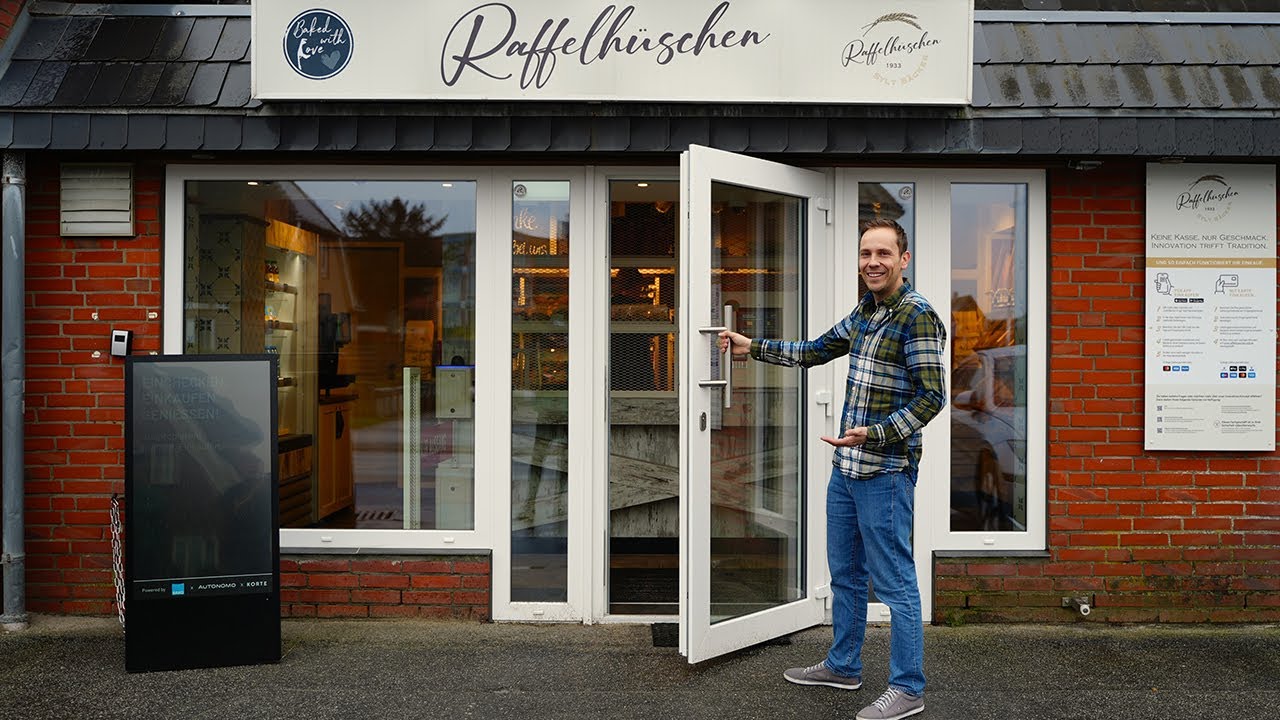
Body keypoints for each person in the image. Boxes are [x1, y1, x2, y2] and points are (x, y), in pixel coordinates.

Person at [718, 218, 946, 720]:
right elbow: (817, 350)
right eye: (866, 253)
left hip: (885, 470)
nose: (873, 262)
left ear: (903, 260)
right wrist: (751, 347)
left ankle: (908, 689)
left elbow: (934, 396)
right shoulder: (867, 311)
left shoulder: (917, 316)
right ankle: (844, 665)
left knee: (896, 584)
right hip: (847, 468)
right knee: (845, 573)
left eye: (884, 254)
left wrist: (879, 432)